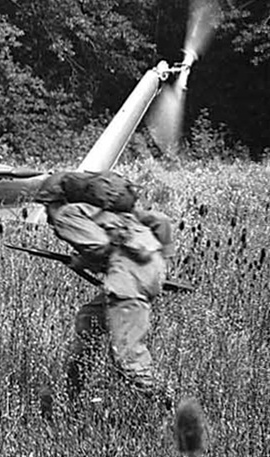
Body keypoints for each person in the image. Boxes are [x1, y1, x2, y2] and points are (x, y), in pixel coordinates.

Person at [38, 169, 176, 413]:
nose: (45, 215)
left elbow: (99, 247)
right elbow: (160, 221)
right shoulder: (104, 212)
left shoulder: (66, 216)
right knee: (88, 321)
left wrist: (82, 261)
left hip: (126, 279)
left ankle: (171, 404)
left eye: (45, 206)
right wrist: (157, 267)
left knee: (127, 360)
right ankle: (70, 397)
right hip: (145, 268)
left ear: (55, 202)